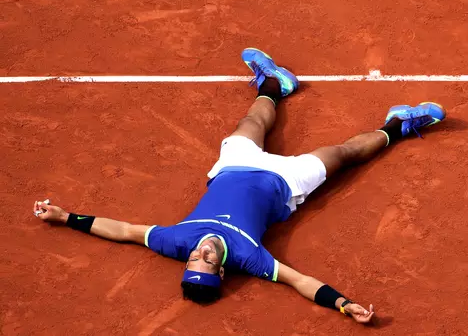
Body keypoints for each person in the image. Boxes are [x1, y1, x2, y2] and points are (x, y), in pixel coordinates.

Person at [33, 48, 445, 323]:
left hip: (234, 168)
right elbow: (299, 281)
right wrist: (341, 303)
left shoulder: (175, 242)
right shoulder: (249, 259)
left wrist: (66, 216)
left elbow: (123, 232)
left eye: (195, 258)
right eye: (207, 261)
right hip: (286, 185)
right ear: (220, 269)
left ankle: (275, 83)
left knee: (251, 124)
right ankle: (399, 125)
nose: (202, 251)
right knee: (341, 154)